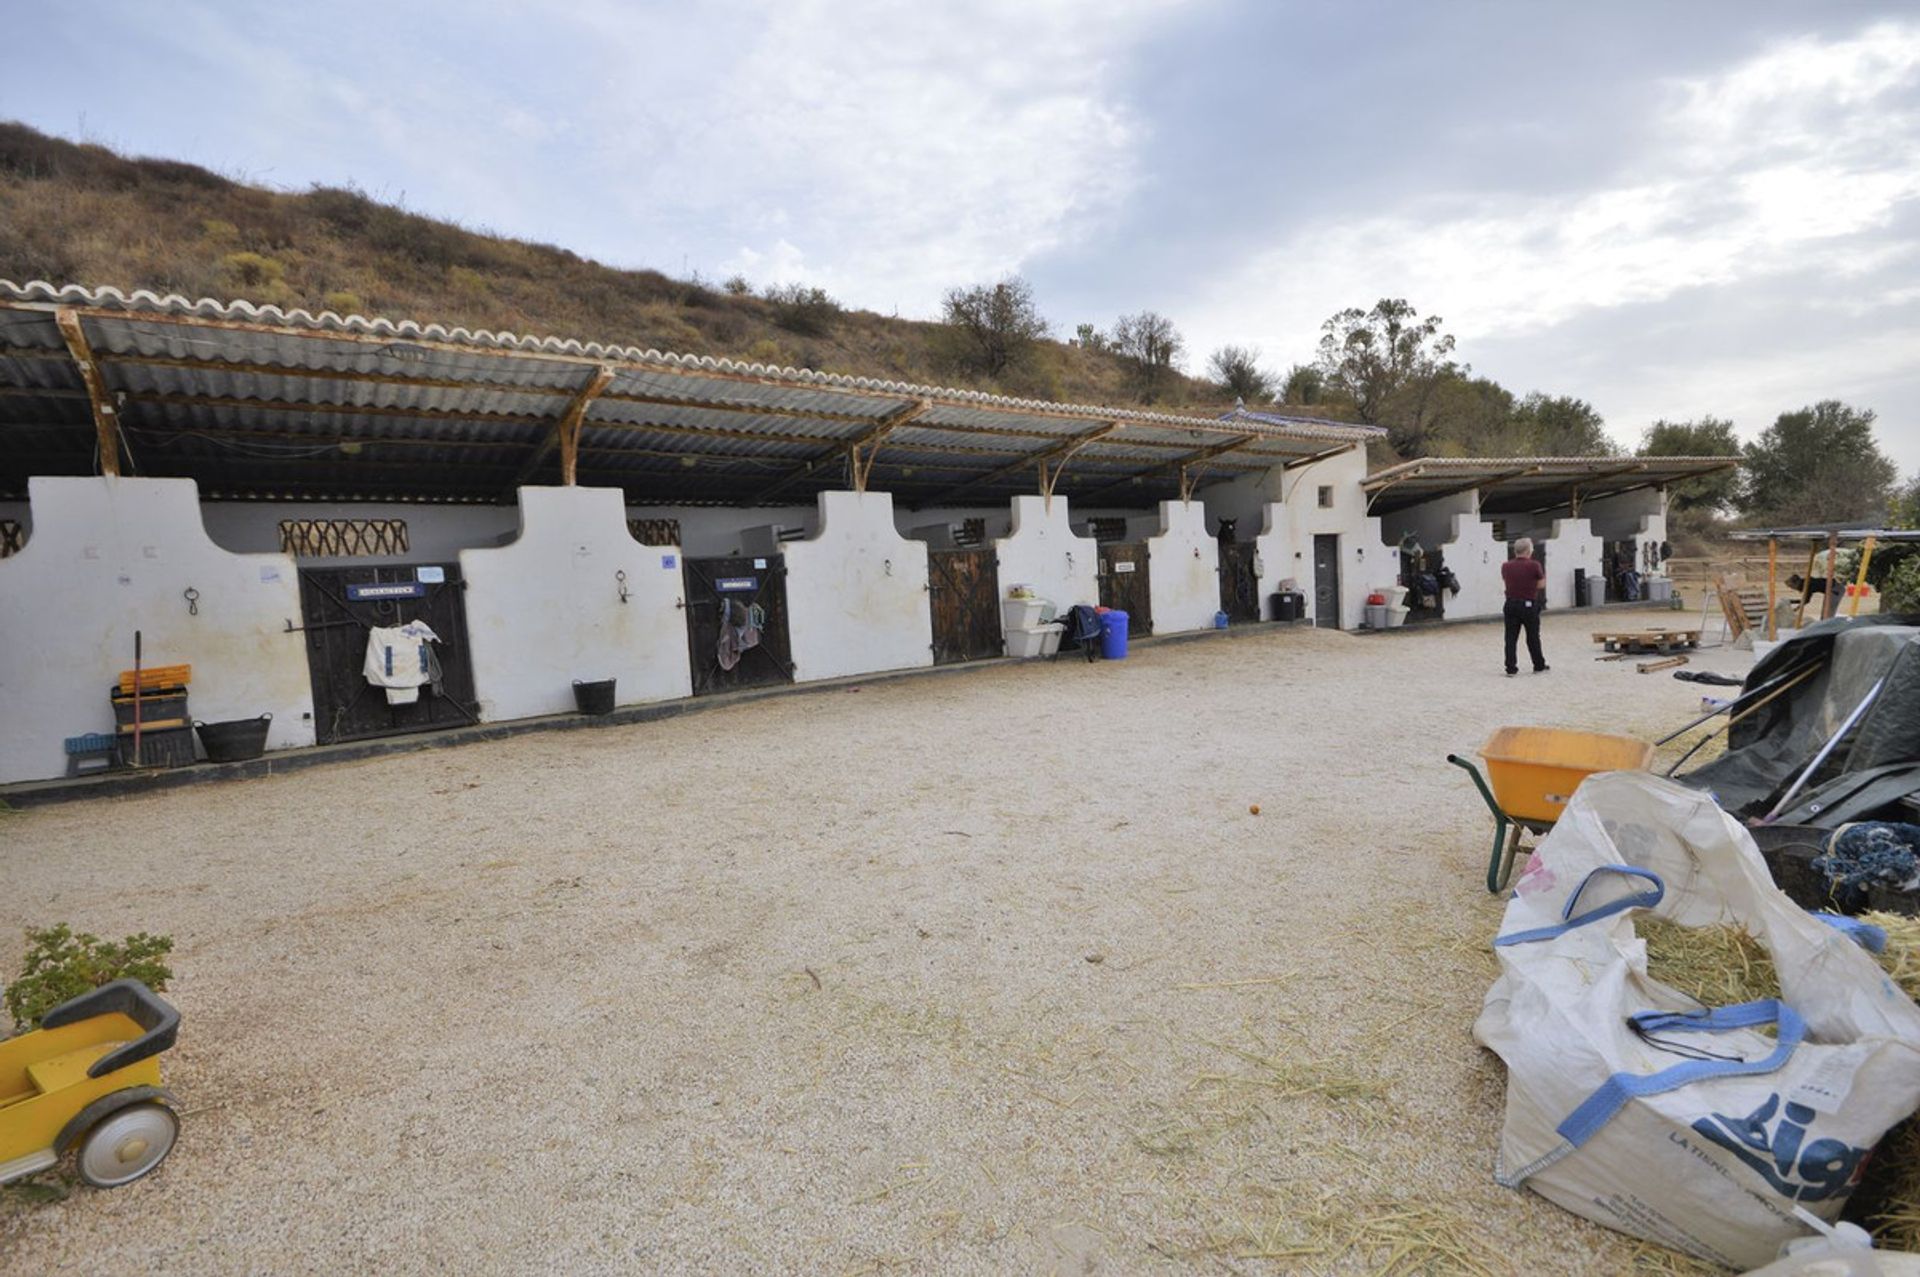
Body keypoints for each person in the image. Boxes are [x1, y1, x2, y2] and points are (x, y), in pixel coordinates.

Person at [1501, 538, 1549, 677]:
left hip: (1510, 603)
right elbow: (1540, 585)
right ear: (1528, 551)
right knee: (1533, 636)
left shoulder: (1506, 566)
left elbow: (1507, 582)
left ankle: (1511, 668)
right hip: (1528, 604)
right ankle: (1538, 665)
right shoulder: (1534, 565)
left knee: (1510, 637)